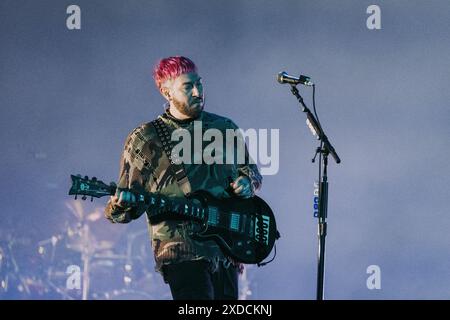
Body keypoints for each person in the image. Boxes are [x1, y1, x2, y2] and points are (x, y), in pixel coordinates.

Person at [104, 56, 262, 300]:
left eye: (199, 84)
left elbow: (251, 171)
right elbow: (122, 212)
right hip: (181, 249)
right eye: (188, 87)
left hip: (226, 246)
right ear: (166, 91)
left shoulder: (224, 127)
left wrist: (247, 182)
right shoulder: (146, 138)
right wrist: (121, 203)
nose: (198, 92)